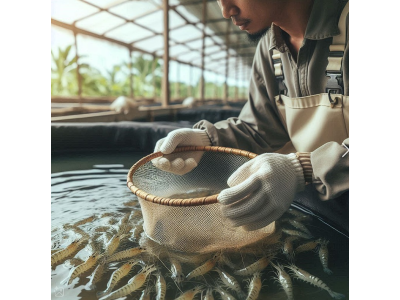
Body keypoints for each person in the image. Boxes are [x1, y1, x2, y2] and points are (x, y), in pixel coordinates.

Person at [152, 0, 349, 231]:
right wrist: (207, 140)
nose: (226, 11)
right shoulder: (269, 49)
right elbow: (260, 129)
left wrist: (303, 169)